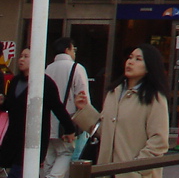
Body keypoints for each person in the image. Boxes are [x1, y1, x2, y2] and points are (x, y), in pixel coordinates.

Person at [72, 44, 169, 178]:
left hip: (133, 174)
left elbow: (159, 140)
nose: (130, 62)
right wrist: (85, 109)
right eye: (130, 57)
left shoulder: (154, 97)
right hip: (106, 170)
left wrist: (136, 168)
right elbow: (105, 131)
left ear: (149, 67)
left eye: (138, 59)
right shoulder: (114, 92)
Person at [0, 48, 76, 178]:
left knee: (20, 171)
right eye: (21, 56)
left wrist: (69, 129)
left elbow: (57, 107)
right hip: (13, 136)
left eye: (26, 56)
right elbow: (10, 106)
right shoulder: (15, 81)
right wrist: (2, 102)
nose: (21, 59)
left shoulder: (45, 83)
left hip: (33, 137)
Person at [42, 37, 89, 178]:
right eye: (73, 49)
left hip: (48, 123)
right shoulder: (76, 68)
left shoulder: (47, 69)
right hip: (66, 123)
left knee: (49, 157)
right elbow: (83, 98)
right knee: (66, 153)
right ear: (68, 49)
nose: (74, 52)